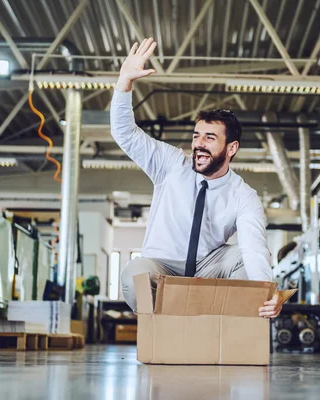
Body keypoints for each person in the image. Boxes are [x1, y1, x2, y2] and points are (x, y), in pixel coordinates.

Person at [111, 38, 283, 319]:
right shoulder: (171, 164)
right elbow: (124, 134)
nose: (199, 144)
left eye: (210, 138)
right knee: (134, 275)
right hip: (161, 264)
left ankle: (218, 327)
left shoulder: (243, 195)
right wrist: (124, 83)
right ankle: (163, 331)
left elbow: (254, 247)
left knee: (244, 258)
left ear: (231, 148)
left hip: (208, 266)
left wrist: (267, 292)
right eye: (196, 136)